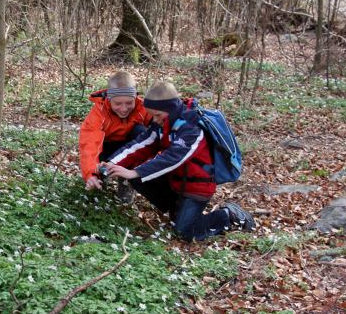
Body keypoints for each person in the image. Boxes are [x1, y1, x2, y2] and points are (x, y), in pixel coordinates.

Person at [103, 81, 255, 241]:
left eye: (157, 115)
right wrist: (113, 163)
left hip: (197, 188)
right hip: (176, 182)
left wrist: (135, 172)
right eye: (152, 115)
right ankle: (175, 208)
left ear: (169, 109)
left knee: (185, 232)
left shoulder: (192, 128)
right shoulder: (163, 123)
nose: (154, 120)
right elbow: (142, 144)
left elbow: (173, 158)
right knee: (136, 176)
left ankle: (228, 215)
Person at [79, 71, 152, 203]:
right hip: (105, 149)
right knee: (95, 172)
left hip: (130, 149)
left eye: (129, 102)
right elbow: (89, 144)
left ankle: (126, 182)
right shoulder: (98, 113)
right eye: (118, 103)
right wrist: (90, 173)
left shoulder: (142, 108)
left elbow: (161, 131)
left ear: (135, 97)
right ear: (109, 99)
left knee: (141, 132)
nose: (124, 109)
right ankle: (100, 176)